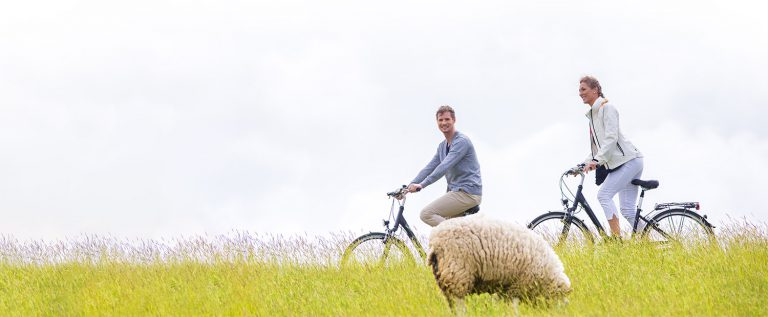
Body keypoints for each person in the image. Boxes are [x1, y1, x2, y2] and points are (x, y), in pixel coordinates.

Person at [579, 76, 644, 237]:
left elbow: (611, 138)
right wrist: (583, 164)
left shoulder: (607, 108)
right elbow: (597, 148)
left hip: (629, 160)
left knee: (604, 195)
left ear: (595, 90)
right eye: (579, 90)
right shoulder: (593, 115)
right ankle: (646, 240)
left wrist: (596, 161)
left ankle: (616, 241)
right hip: (625, 163)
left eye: (583, 89)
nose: (580, 93)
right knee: (628, 210)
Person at [406, 105, 482, 227]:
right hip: (456, 192)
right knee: (449, 230)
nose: (444, 123)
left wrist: (422, 185)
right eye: (440, 120)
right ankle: (460, 240)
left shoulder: (461, 142)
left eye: (447, 119)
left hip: (467, 193)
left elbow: (444, 167)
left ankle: (452, 234)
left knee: (427, 214)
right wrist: (408, 186)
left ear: (454, 120)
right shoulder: (442, 146)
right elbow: (429, 168)